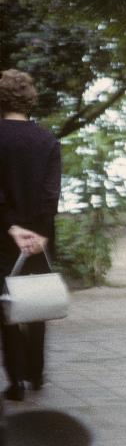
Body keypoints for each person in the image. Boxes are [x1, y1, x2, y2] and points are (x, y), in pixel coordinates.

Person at [0, 69, 62, 402]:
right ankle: (36, 374)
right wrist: (40, 233)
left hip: (3, 237)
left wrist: (12, 226)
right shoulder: (47, 140)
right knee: (36, 302)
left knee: (6, 307)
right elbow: (51, 194)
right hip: (38, 238)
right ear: (30, 98)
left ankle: (15, 383)